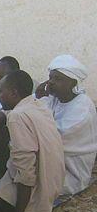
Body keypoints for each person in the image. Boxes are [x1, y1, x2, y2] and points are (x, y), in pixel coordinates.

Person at [0, 70, 65, 212]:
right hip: (50, 190)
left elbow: (26, 173)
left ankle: (17, 210)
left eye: (1, 91)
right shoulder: (37, 105)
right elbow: (4, 112)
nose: (0, 95)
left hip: (32, 198)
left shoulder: (17, 117)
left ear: (13, 93)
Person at [36, 55, 97, 196]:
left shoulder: (82, 109)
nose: (51, 83)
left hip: (71, 174)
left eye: (58, 79)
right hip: (51, 162)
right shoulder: (53, 98)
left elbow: (51, 137)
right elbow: (35, 119)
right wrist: (39, 98)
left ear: (73, 83)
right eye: (50, 78)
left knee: (27, 181)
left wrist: (41, 102)